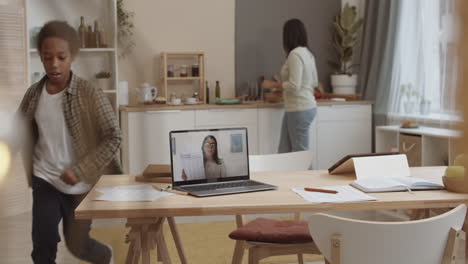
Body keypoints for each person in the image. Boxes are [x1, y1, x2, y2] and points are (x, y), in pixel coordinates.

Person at [16, 21, 121, 264]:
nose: (54, 64)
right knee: (43, 243)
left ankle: (105, 256)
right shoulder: (34, 94)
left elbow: (114, 135)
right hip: (45, 179)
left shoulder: (89, 93)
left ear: (72, 56)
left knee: (78, 247)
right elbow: (18, 129)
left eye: (61, 57)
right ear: (40, 58)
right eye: (47, 57)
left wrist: (80, 169)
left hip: (80, 186)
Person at [262, 18, 318, 153]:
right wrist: (283, 90)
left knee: (300, 153)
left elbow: (294, 85)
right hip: (300, 107)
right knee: (284, 151)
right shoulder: (308, 53)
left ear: (288, 36)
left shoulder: (295, 54)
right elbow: (314, 82)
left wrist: (272, 84)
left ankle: (308, 175)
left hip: (299, 108)